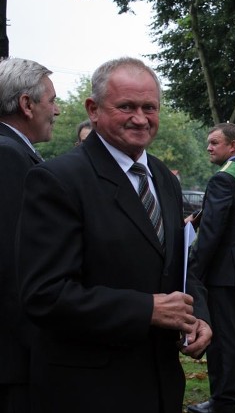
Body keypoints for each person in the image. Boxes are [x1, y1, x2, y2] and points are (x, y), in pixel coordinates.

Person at [17, 57, 212, 412]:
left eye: (149, 107)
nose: (140, 118)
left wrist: (198, 316)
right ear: (93, 109)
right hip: (89, 390)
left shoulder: (164, 179)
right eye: (126, 107)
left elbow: (179, 265)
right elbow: (44, 294)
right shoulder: (58, 180)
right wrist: (146, 309)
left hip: (161, 386)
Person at [188, 123, 235, 413]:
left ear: (232, 146)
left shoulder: (223, 180)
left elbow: (212, 232)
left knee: (223, 341)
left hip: (225, 273)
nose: (208, 147)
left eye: (214, 143)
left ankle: (223, 401)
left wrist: (194, 267)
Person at [0, 58, 59, 413]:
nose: (56, 110)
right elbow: (14, 263)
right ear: (26, 104)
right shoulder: (9, 157)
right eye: (51, 100)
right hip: (13, 357)